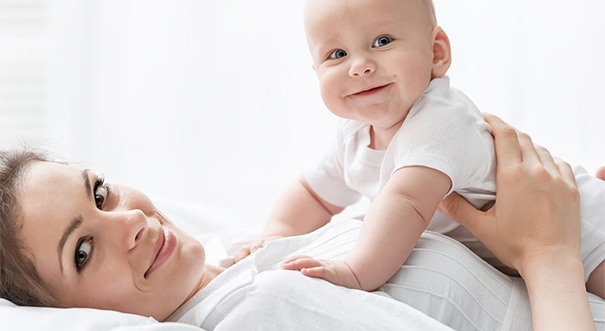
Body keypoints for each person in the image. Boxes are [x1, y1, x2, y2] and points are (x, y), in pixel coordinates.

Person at [0, 115, 603, 331]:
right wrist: (549, 252)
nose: (126, 220)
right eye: (82, 251)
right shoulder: (266, 312)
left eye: (99, 192)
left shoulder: (237, 258)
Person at [235, 0, 605, 299]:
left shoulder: (439, 120)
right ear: (315, 71)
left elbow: (405, 204)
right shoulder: (353, 134)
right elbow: (313, 193)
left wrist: (354, 271)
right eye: (337, 54)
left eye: (382, 42)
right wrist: (276, 236)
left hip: (583, 233)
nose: (358, 66)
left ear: (437, 52)